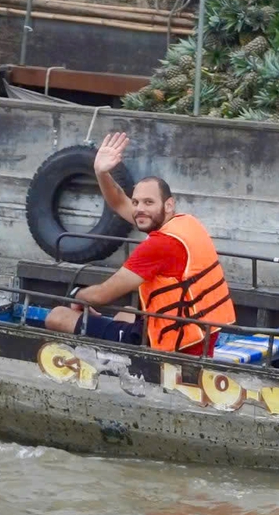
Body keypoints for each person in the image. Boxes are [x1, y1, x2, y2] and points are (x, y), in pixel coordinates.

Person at [44, 133, 237, 356]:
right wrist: (101, 172)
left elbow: (101, 296)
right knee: (126, 312)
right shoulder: (186, 224)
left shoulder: (159, 245)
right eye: (136, 202)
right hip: (199, 337)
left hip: (171, 347)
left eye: (148, 202)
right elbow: (118, 200)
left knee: (57, 315)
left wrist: (78, 296)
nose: (139, 209)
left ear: (168, 205)